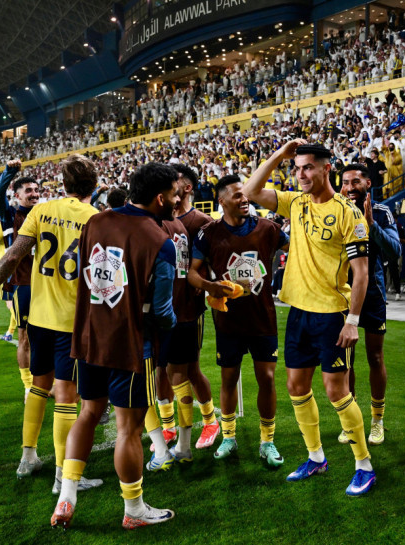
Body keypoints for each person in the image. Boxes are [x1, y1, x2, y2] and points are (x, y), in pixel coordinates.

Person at [242, 139, 376, 496]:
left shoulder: (349, 214)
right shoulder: (295, 202)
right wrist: (279, 155)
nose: (300, 174)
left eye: (307, 168)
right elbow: (250, 191)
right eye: (297, 168)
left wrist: (353, 321)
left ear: (326, 168)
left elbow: (361, 273)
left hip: (332, 314)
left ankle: (364, 465)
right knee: (296, 387)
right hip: (299, 311)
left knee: (336, 391)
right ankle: (316, 458)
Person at [50, 162, 179, 529]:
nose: (177, 199)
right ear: (159, 198)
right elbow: (163, 312)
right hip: (131, 345)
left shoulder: (95, 222)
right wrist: (171, 328)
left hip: (90, 336)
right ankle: (134, 509)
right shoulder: (160, 242)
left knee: (88, 413)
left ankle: (66, 496)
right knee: (128, 429)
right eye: (174, 194)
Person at [0, 154, 102, 492]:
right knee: (66, 395)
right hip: (72, 321)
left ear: (64, 184)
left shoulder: (41, 211)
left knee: (38, 386)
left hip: (39, 318)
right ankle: (63, 475)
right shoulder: (97, 219)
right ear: (94, 185)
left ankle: (27, 457)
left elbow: (13, 255)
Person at [188, 174, 289, 465]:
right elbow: (192, 272)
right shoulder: (208, 233)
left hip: (262, 319)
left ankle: (267, 441)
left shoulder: (268, 228)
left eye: (245, 194)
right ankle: (229, 437)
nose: (244, 199)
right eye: (237, 195)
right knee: (229, 378)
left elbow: (296, 251)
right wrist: (209, 286)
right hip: (228, 321)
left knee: (267, 379)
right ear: (221, 201)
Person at [144, 164, 219, 471]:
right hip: (163, 310)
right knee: (161, 372)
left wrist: (209, 285)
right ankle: (169, 426)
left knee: (188, 371)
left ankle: (210, 420)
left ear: (186, 187)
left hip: (187, 308)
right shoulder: (160, 219)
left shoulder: (200, 221)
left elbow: (212, 260)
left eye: (174, 181)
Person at [339, 164, 401, 447]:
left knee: (375, 357)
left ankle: (377, 420)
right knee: (345, 360)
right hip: (341, 295)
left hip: (372, 293)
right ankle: (351, 421)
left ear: (368, 184)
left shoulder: (381, 211)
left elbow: (395, 251)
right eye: (345, 182)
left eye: (355, 181)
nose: (350, 187)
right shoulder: (335, 211)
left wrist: (372, 225)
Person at [0, 160, 40, 400]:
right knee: (25, 336)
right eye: (28, 191)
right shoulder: (10, 215)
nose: (34, 194)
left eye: (36, 190)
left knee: (52, 337)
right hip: (24, 283)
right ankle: (28, 386)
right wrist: (10, 172)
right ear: (17, 195)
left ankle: (49, 381)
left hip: (50, 284)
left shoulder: (46, 214)